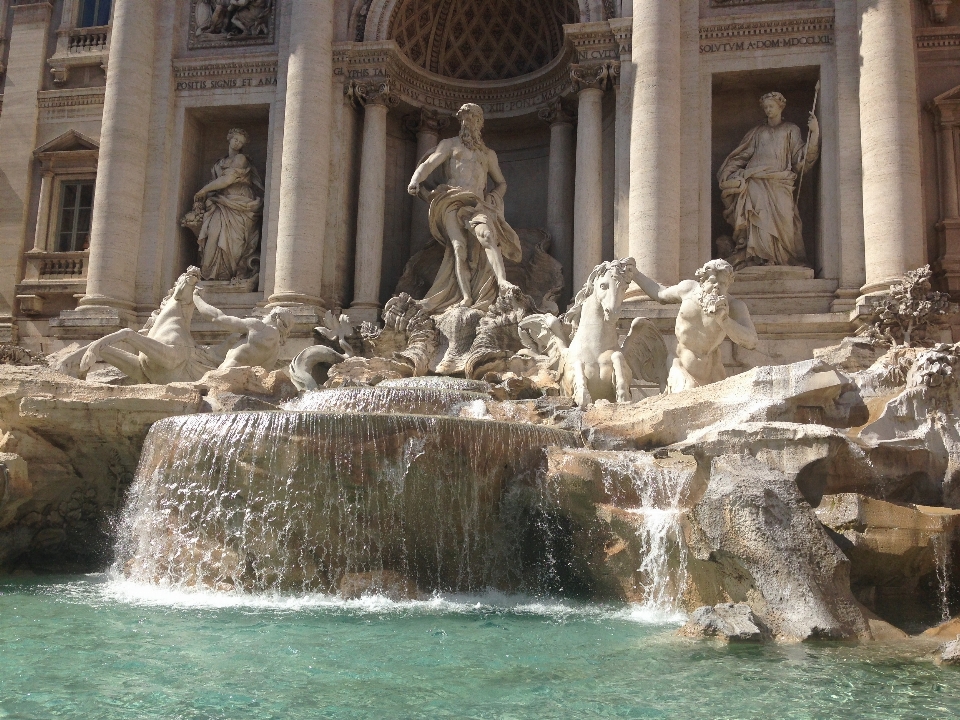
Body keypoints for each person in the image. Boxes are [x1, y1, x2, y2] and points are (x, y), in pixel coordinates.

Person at [407, 103, 522, 314]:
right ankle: (467, 296)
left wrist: (493, 197)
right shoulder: (450, 145)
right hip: (451, 200)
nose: (468, 123)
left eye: (473, 119)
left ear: (480, 124)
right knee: (458, 248)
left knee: (487, 236)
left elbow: (501, 183)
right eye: (464, 119)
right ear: (460, 122)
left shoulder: (488, 154)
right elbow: (430, 163)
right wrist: (416, 179)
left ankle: (503, 282)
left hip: (477, 203)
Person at [717, 91, 819, 268]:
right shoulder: (757, 132)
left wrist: (815, 132)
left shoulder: (791, 130)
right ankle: (760, 258)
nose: (768, 110)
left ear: (781, 106)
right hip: (756, 180)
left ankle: (785, 259)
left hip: (780, 181)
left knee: (786, 219)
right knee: (759, 219)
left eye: (771, 106)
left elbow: (800, 158)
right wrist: (728, 171)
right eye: (765, 107)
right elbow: (741, 155)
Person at [630, 259, 758, 393]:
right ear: (703, 281)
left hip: (712, 369)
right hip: (680, 363)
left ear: (729, 284)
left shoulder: (734, 307)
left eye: (722, 283)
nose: (717, 287)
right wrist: (635, 274)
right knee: (686, 394)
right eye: (712, 281)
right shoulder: (688, 289)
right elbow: (660, 294)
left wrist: (725, 320)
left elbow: (752, 341)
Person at [184, 128, 264, 282]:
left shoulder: (241, 159)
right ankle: (210, 275)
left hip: (240, 204)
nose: (238, 143)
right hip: (220, 203)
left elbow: (227, 180)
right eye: (236, 139)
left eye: (241, 142)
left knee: (234, 244)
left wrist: (204, 190)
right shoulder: (219, 162)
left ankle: (227, 276)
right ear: (229, 138)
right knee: (213, 236)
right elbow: (218, 182)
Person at [197, 303, 295, 371]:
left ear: (274, 316)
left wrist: (196, 298)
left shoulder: (258, 327)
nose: (264, 317)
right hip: (242, 384)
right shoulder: (275, 351)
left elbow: (218, 318)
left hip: (226, 373)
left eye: (268, 315)